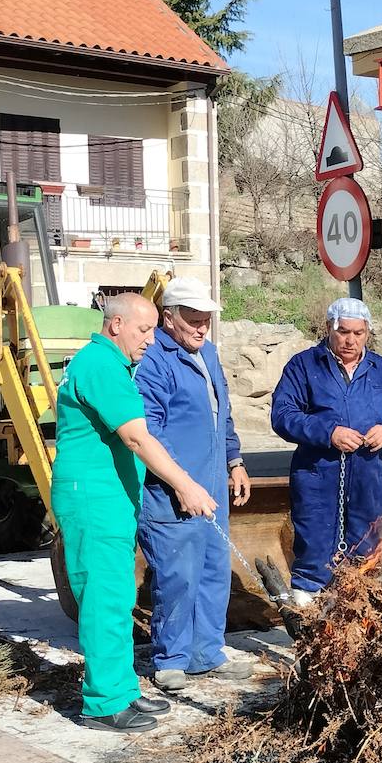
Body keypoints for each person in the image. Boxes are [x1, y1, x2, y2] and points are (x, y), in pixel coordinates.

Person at [52, 293, 218, 733]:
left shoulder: (111, 364)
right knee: (105, 598)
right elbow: (137, 439)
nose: (150, 339)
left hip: (110, 500)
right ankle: (104, 703)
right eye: (143, 330)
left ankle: (122, 688)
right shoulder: (102, 366)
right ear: (116, 324)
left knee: (119, 596)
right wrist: (186, 485)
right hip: (94, 499)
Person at [135, 277, 254, 693]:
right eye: (193, 320)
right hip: (172, 492)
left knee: (213, 571)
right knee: (177, 575)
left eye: (206, 321)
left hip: (212, 484)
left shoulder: (210, 355)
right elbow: (149, 433)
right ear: (169, 319)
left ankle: (207, 652)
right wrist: (182, 484)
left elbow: (223, 416)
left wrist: (234, 461)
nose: (202, 328)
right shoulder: (154, 363)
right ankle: (171, 657)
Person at [271, 298, 382, 604]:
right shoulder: (304, 365)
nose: (351, 340)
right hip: (317, 475)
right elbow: (283, 415)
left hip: (367, 476)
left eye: (359, 333)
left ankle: (354, 625)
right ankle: (306, 621)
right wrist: (329, 433)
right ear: (329, 328)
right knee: (314, 549)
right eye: (343, 332)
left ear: (368, 333)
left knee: (364, 551)